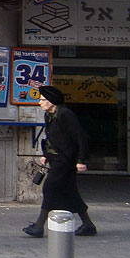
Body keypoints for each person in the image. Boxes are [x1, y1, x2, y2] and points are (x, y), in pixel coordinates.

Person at [22, 85, 97, 238]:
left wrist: (81, 160)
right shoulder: (49, 115)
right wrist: (46, 154)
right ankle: (88, 225)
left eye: (43, 100)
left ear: (52, 101)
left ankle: (38, 226)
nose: (40, 103)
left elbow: (80, 136)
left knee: (50, 188)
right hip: (56, 159)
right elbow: (52, 138)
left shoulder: (65, 114)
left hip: (65, 160)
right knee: (70, 192)